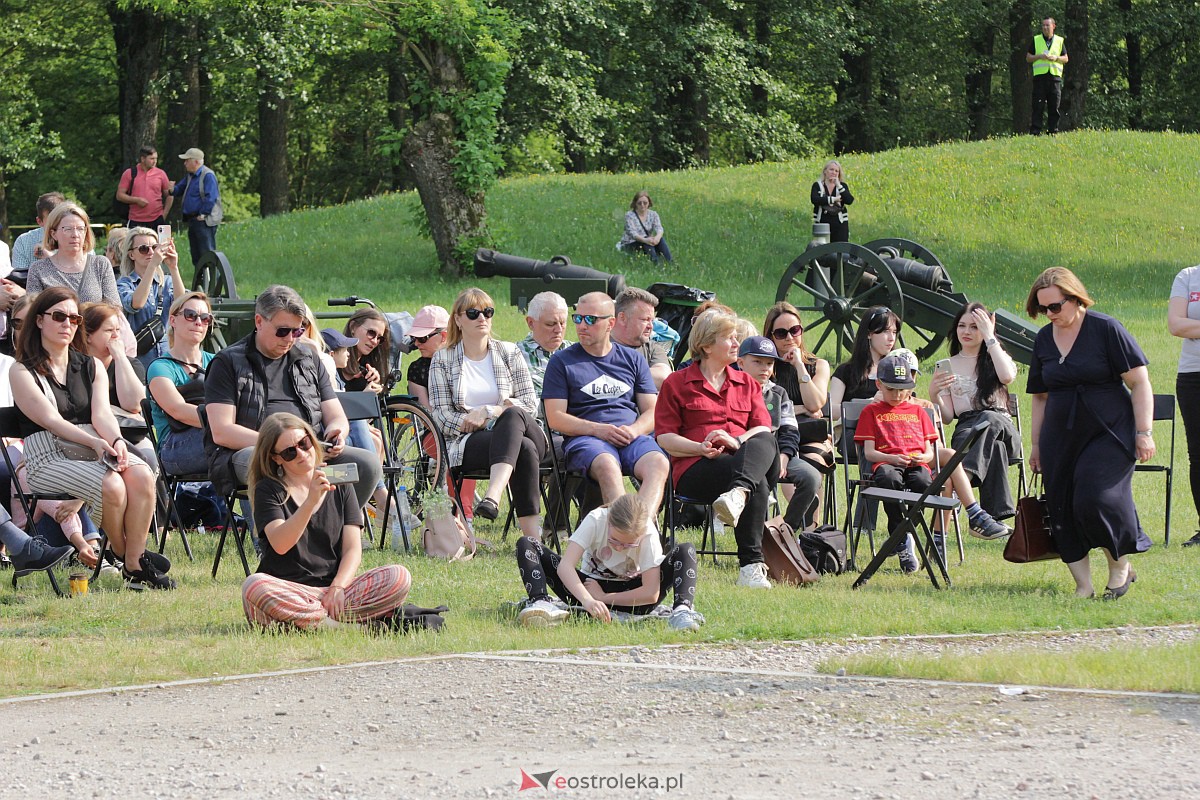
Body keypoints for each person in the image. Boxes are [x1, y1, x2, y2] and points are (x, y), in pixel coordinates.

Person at [9, 287, 172, 590]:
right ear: (40, 321)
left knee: (141, 474)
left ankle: (133, 564)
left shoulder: (90, 365)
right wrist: (96, 443)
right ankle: (128, 556)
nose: (67, 324)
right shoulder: (22, 370)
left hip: (94, 444)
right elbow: (51, 420)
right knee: (111, 483)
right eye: (59, 316)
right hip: (46, 456)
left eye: (74, 318)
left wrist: (117, 441)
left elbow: (103, 416)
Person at [1027, 267, 1154, 599]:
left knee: (1096, 497)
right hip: (1060, 434)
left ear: (1075, 298)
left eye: (1055, 307)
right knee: (1063, 506)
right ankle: (1083, 585)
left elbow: (1139, 383)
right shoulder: (1043, 338)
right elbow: (1040, 397)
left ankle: (1120, 567)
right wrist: (1036, 444)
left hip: (1109, 430)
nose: (1050, 315)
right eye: (1044, 309)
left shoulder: (1106, 328)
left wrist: (1144, 432)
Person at [204, 284, 382, 509]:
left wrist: (337, 433)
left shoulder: (309, 359)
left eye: (297, 331)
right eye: (282, 330)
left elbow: (335, 415)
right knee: (281, 465)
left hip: (311, 451)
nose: (290, 338)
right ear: (259, 321)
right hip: (256, 453)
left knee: (365, 464)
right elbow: (221, 431)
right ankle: (280, 537)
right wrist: (280, 445)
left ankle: (335, 530)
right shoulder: (228, 362)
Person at [240, 413, 412, 630]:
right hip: (289, 588)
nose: (302, 454)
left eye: (304, 443)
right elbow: (281, 545)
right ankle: (343, 625)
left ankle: (307, 622)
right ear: (276, 458)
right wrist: (311, 501)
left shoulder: (338, 477)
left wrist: (338, 588)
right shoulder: (269, 489)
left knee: (398, 576)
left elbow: (352, 549)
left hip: (334, 589)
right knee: (254, 586)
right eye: (289, 452)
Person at [656, 310, 778, 589]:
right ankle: (750, 567)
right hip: (697, 468)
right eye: (730, 338)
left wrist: (735, 441)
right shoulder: (677, 383)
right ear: (707, 345)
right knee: (756, 483)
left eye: (736, 337)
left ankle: (737, 494)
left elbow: (762, 428)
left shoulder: (746, 383)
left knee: (765, 440)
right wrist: (699, 447)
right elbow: (665, 438)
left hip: (742, 459)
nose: (737, 344)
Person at [428, 288, 547, 538]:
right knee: (523, 448)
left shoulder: (509, 352)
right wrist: (476, 422)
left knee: (512, 415)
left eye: (487, 312)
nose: (482, 318)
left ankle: (493, 495)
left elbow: (529, 403)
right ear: (458, 320)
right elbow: (440, 415)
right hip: (471, 440)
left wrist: (489, 411)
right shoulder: (443, 359)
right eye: (473, 313)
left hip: (527, 430)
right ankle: (532, 540)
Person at [543, 291, 670, 520]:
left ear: (610, 323)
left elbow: (653, 411)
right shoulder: (562, 362)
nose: (582, 325)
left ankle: (640, 531)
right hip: (586, 440)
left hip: (629, 436)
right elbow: (556, 417)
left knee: (658, 463)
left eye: (591, 319)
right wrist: (598, 429)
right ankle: (627, 531)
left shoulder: (633, 360)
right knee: (607, 465)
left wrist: (634, 430)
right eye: (578, 318)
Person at [513, 494, 704, 631]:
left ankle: (682, 611)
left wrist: (604, 598)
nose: (620, 548)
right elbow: (566, 566)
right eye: (614, 541)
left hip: (633, 597)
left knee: (685, 549)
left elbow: (651, 593)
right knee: (527, 544)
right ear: (609, 523)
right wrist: (589, 600)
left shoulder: (648, 532)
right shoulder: (597, 519)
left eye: (629, 544)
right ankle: (540, 603)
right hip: (588, 587)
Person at [929, 303, 1020, 521]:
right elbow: (949, 417)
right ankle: (988, 522)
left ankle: (963, 480)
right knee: (993, 447)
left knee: (990, 418)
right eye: (962, 326)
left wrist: (990, 337)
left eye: (974, 326)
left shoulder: (997, 356)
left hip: (1002, 425)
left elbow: (1007, 377)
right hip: (967, 428)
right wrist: (934, 395)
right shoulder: (947, 365)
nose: (967, 332)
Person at [737, 335, 823, 531]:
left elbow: (790, 431)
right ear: (741, 363)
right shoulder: (732, 389)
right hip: (742, 458)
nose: (764, 368)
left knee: (811, 477)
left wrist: (784, 457)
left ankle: (784, 529)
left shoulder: (778, 394)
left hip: (776, 456)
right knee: (759, 482)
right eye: (757, 362)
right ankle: (756, 531)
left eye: (769, 363)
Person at [147, 292, 216, 476]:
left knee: (261, 452)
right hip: (174, 447)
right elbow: (178, 410)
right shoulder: (160, 367)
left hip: (215, 436)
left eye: (205, 318)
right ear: (173, 320)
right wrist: (224, 424)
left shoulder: (217, 362)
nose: (198, 322)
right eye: (190, 315)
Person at [116, 226, 185, 366]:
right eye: (143, 249)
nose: (151, 252)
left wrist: (173, 267)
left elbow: (181, 305)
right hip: (139, 359)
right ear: (131, 255)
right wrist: (153, 265)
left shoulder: (166, 282)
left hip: (167, 356)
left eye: (154, 247)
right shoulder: (124, 283)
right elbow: (136, 303)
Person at [26, 203, 120, 306]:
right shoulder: (38, 269)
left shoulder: (100, 264)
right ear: (53, 234)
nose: (75, 235)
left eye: (80, 229)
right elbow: (33, 313)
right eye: (68, 229)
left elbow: (115, 309)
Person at [1168, 264, 1200, 546]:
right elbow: (1176, 325)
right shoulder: (1188, 277)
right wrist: (1187, 328)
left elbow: (1187, 325)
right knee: (1198, 455)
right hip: (1194, 376)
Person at [829, 306, 902, 421]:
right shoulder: (845, 371)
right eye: (885, 331)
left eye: (894, 332)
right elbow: (830, 410)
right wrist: (867, 406)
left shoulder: (898, 369)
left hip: (892, 432)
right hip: (855, 434)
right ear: (869, 334)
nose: (891, 338)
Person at [611, 287, 672, 388]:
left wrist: (612, 373)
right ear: (622, 318)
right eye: (645, 320)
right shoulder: (599, 345)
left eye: (652, 320)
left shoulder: (652, 349)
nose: (650, 326)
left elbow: (663, 378)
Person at [171, 147, 221, 266]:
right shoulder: (190, 176)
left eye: (187, 160)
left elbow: (211, 197)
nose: (185, 163)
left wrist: (203, 214)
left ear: (196, 162)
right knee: (196, 255)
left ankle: (212, 280)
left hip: (204, 221)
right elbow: (179, 189)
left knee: (207, 253)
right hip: (193, 219)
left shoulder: (208, 175)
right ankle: (200, 281)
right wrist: (171, 190)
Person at [517, 291, 569, 397]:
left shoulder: (578, 352)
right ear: (531, 323)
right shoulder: (514, 355)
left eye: (562, 323)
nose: (558, 329)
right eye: (551, 324)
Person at [8, 192, 64, 280]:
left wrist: (49, 258)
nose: (58, 223)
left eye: (60, 218)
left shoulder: (78, 239)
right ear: (39, 221)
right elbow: (21, 281)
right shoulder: (24, 241)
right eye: (51, 220)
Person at [115, 145, 174, 229]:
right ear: (143, 159)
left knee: (158, 242)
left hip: (157, 219)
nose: (155, 161)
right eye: (152, 159)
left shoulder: (161, 174)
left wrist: (164, 215)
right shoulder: (130, 173)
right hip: (135, 219)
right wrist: (136, 200)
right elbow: (119, 195)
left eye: (156, 158)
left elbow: (169, 195)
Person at [1027, 17, 1068, 135]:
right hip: (1040, 78)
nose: (1045, 28)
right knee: (1038, 106)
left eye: (1047, 25)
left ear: (1053, 26)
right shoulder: (1036, 40)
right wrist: (1039, 56)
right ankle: (1035, 131)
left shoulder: (1060, 41)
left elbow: (1066, 58)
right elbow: (1028, 57)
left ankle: (1053, 131)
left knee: (1054, 106)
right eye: (1043, 25)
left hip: (1054, 78)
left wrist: (1056, 58)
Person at [405, 305, 450, 408]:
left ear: (443, 336)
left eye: (422, 338)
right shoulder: (417, 369)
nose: (416, 344)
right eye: (414, 338)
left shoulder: (465, 359)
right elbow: (425, 415)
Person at [340, 308, 389, 394]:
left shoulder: (369, 369)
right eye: (371, 333)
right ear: (353, 327)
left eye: (379, 338)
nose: (374, 341)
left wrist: (376, 386)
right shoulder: (332, 361)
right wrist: (364, 396)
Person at [616, 191, 672, 265]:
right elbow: (632, 233)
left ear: (649, 203)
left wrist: (657, 238)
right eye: (639, 203)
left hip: (647, 241)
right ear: (635, 204)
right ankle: (655, 263)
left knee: (660, 239)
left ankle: (670, 262)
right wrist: (645, 240)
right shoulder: (629, 215)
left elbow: (659, 228)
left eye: (645, 203)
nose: (642, 205)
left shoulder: (653, 214)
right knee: (646, 242)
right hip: (631, 243)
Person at [811, 160, 854, 243]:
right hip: (822, 224)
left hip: (840, 225)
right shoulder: (817, 185)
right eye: (831, 169)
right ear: (825, 171)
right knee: (822, 250)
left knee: (840, 248)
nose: (833, 172)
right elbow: (815, 200)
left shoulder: (842, 186)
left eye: (836, 171)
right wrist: (834, 199)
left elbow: (849, 200)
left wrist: (838, 185)